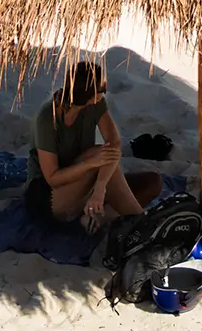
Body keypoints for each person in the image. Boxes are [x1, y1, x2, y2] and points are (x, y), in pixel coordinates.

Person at [25, 61, 163, 230]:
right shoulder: (48, 118)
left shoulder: (95, 105)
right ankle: (142, 226)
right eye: (101, 89)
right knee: (98, 154)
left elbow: (114, 143)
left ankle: (94, 219)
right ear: (88, 92)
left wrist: (100, 188)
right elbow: (53, 178)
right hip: (49, 195)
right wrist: (90, 164)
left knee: (152, 183)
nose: (104, 92)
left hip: (85, 183)